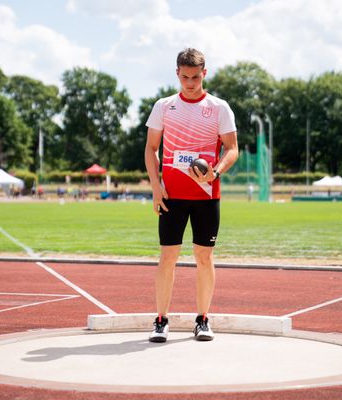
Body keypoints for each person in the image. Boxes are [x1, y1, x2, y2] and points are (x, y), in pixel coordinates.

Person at [144, 48, 238, 342]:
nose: (190, 83)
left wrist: (217, 171)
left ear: (204, 74)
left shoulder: (219, 108)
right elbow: (151, 148)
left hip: (207, 196)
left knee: (203, 257)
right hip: (172, 195)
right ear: (177, 74)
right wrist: (156, 187)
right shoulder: (163, 106)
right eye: (185, 77)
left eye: (195, 77)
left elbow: (232, 148)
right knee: (168, 256)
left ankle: (203, 319)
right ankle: (161, 320)